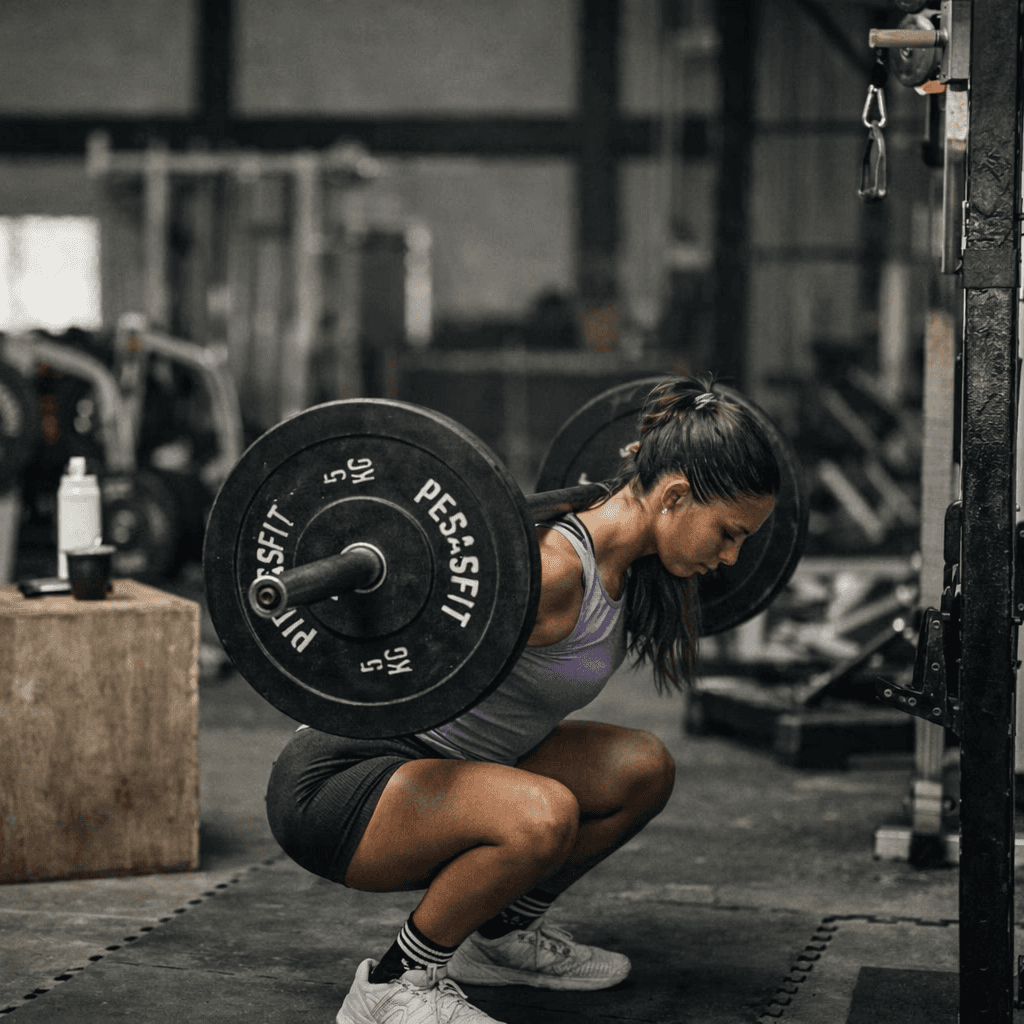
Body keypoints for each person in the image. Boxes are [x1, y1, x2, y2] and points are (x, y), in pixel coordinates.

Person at [265, 372, 780, 1024]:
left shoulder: (631, 560)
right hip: (343, 784)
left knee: (643, 767)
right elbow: (392, 651)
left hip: (447, 772)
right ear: (674, 496)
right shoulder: (555, 571)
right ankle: (394, 984)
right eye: (729, 533)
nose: (733, 558)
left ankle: (500, 938)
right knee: (543, 816)